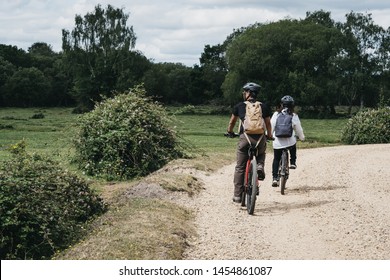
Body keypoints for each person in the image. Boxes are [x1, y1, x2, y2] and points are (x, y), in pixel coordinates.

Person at [227, 82, 272, 203]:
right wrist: (269, 135)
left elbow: (232, 123)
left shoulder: (240, 106)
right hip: (260, 139)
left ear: (248, 93)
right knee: (261, 153)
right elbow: (268, 124)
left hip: (245, 139)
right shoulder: (264, 106)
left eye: (245, 92)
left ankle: (237, 195)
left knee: (240, 167)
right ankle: (260, 165)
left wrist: (230, 132)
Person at [271, 95, 305, 187]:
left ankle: (275, 178)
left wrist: (269, 136)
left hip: (277, 142)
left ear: (281, 104)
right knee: (293, 146)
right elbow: (298, 129)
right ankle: (293, 162)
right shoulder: (294, 116)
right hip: (290, 141)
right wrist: (302, 138)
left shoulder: (276, 115)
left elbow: (271, 127)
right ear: (292, 105)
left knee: (276, 158)